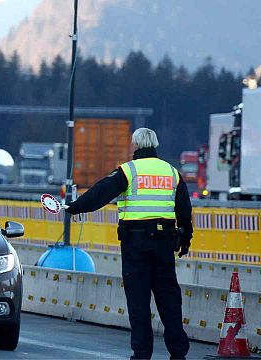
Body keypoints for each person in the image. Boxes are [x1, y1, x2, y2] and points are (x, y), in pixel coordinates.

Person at [64, 128, 192, 360]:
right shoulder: (172, 172)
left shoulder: (128, 171)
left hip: (136, 244)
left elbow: (100, 194)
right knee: (169, 299)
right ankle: (178, 353)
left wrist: (75, 207)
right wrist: (185, 237)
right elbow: (184, 208)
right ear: (155, 145)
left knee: (139, 301)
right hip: (164, 243)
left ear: (135, 145)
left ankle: (142, 354)